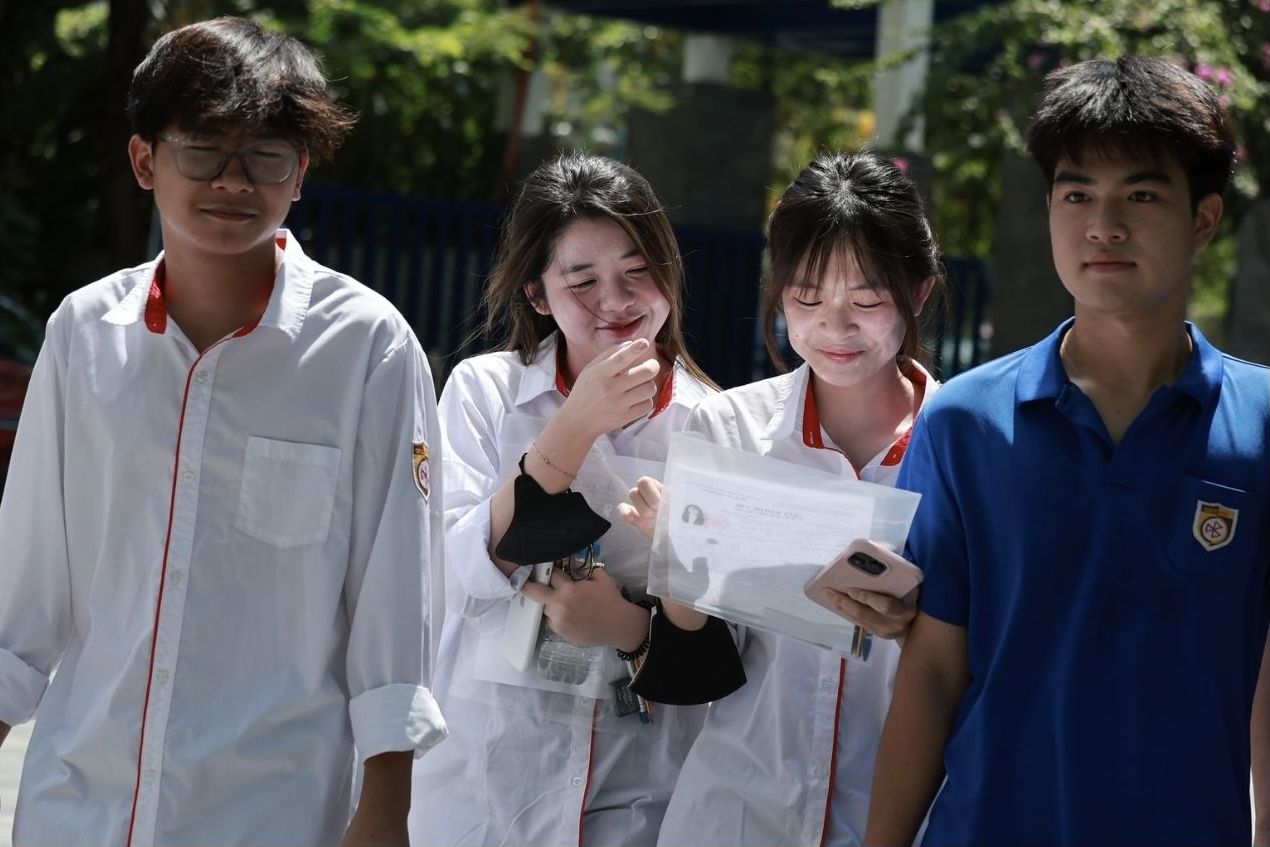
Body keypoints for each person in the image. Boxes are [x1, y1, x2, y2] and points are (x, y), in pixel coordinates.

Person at [0, 17, 446, 847]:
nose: (233, 182)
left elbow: (396, 593)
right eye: (204, 149)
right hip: (78, 802)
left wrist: (387, 807)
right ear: (145, 161)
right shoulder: (83, 334)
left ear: (299, 174)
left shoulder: (367, 349)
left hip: (270, 810)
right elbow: (24, 589)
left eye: (266, 156)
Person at [864, 56, 1270, 847]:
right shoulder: (964, 422)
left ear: (1204, 219)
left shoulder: (1260, 425)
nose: (1103, 225)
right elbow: (933, 669)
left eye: (1141, 196)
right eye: (1077, 194)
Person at [619, 150, 942, 846]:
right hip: (737, 814)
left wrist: (918, 626)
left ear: (918, 292)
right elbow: (688, 666)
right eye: (806, 297)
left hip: (895, 821)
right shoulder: (728, 429)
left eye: (866, 301)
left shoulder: (965, 446)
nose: (834, 326)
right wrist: (683, 558)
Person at [407, 152, 717, 847]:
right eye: (583, 281)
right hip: (485, 780)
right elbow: (456, 575)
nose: (617, 300)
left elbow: (732, 640)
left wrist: (628, 627)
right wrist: (573, 426)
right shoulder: (485, 393)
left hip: (638, 789)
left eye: (638, 271)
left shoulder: (716, 424)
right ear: (538, 295)